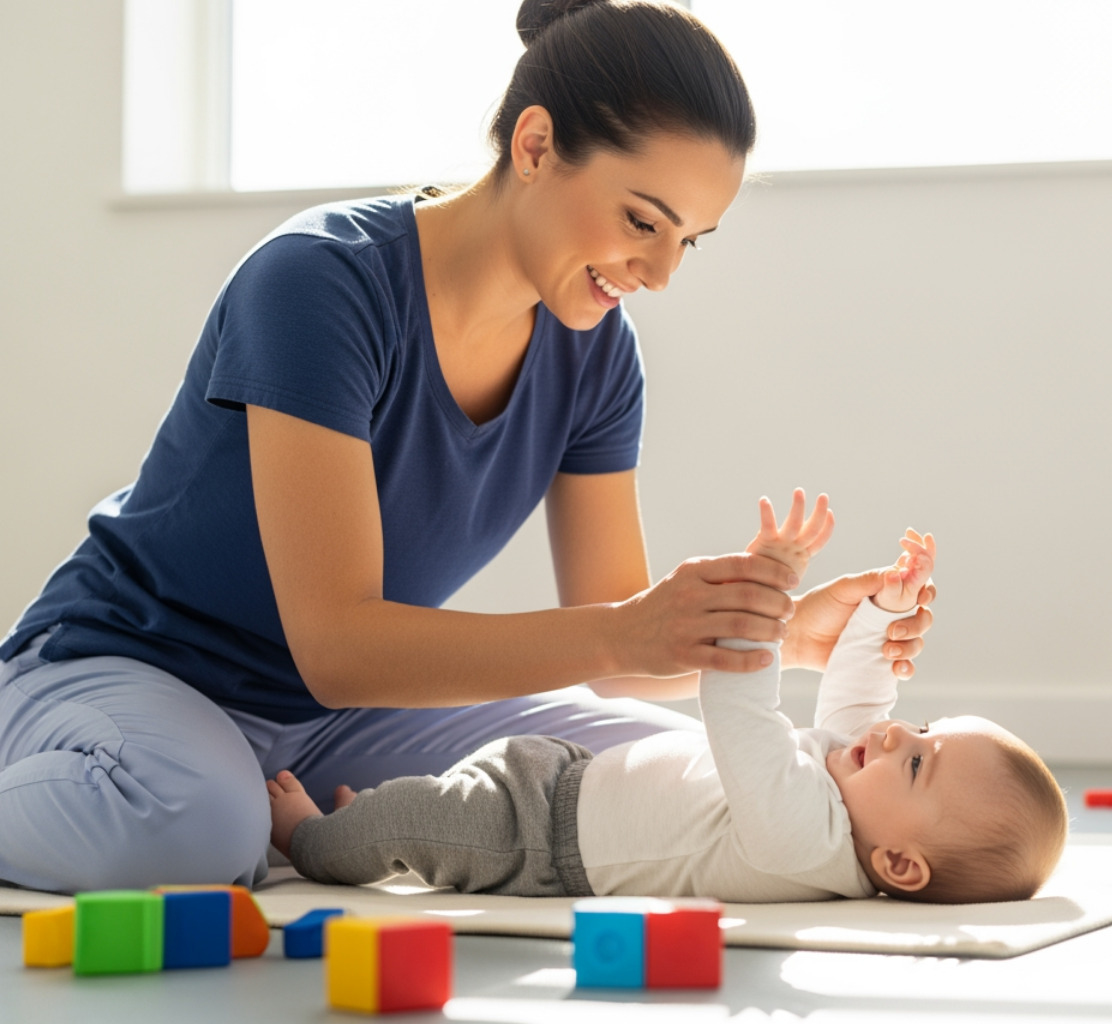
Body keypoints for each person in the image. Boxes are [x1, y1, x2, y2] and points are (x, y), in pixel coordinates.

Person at [0, 0, 935, 895]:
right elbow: (339, 644)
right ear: (535, 146)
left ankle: (246, 812)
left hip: (334, 721)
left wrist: (777, 635)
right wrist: (630, 626)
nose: (659, 273)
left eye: (691, 240)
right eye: (643, 221)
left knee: (681, 787)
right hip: (134, 669)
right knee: (194, 825)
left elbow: (616, 648)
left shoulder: (599, 356)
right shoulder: (319, 282)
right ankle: (181, 801)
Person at [268, 495, 1069, 904]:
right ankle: (357, 821)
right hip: (571, 776)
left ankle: (310, 840)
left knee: (416, 825)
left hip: (537, 844)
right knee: (409, 808)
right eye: (921, 728)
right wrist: (885, 610)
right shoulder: (853, 784)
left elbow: (743, 715)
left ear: (898, 863)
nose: (896, 736)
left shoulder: (805, 839)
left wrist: (767, 594)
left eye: (920, 764)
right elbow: (861, 688)